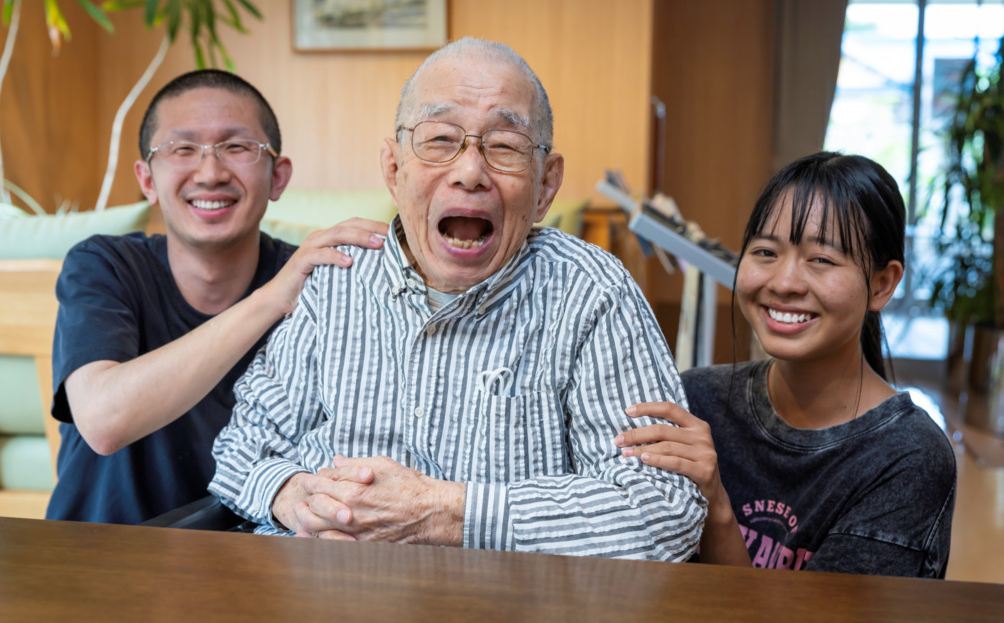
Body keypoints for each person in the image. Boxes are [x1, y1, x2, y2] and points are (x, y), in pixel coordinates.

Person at [209, 38, 706, 560]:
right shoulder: (337, 277)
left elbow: (663, 512)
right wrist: (296, 498)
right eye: (441, 140)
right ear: (395, 170)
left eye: (505, 146)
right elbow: (241, 449)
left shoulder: (592, 293)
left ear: (546, 187)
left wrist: (445, 512)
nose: (470, 172)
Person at [47, 69, 388, 524]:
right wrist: (272, 298)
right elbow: (104, 421)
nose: (210, 172)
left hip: (252, 565)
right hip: (100, 561)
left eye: (237, 147)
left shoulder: (324, 282)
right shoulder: (103, 265)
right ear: (147, 179)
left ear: (278, 177)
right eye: (182, 149)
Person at [616, 152, 956, 577]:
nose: (783, 283)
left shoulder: (906, 457)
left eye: (822, 260)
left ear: (882, 284)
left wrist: (718, 512)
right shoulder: (694, 399)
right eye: (765, 251)